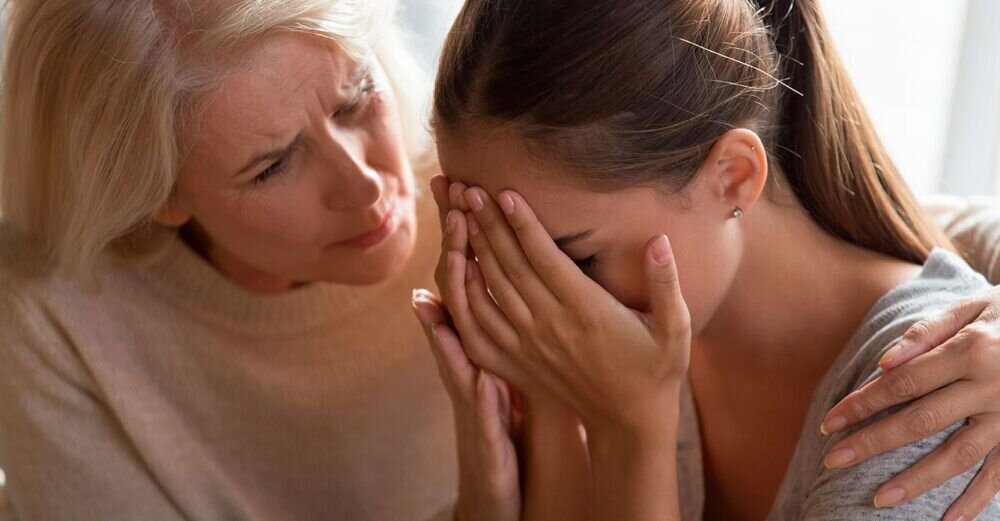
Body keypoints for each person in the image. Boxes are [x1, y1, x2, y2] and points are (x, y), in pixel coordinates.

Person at [1, 0, 1000, 520]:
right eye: (270, 166)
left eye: (356, 98)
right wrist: (540, 449)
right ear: (155, 189)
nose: (370, 186)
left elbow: (885, 219)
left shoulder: (550, 228)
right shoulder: (635, 311)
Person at [414, 0, 1000, 519]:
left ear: (733, 177)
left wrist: (630, 431)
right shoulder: (619, 357)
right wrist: (547, 420)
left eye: (576, 259)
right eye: (493, 252)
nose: (527, 309)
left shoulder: (938, 393)